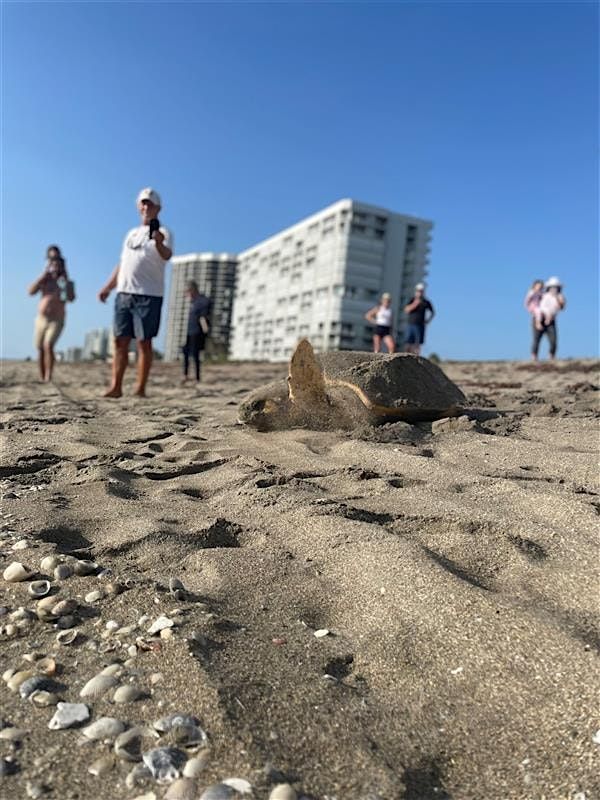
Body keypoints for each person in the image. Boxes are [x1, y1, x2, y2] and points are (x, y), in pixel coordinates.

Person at [98, 188, 173, 397]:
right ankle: (116, 386)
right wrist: (108, 287)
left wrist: (158, 242)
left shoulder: (165, 233)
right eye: (143, 203)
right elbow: (122, 264)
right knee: (119, 340)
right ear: (138, 206)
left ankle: (140, 388)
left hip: (149, 294)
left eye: (150, 203)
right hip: (124, 293)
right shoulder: (131, 234)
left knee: (144, 341)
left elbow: (167, 255)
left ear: (158, 207)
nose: (146, 207)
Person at [28, 245, 73, 382]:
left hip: (57, 319)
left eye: (57, 261)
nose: (54, 264)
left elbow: (70, 298)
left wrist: (65, 283)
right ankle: (42, 377)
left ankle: (49, 376)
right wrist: (43, 276)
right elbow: (30, 291)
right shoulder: (44, 279)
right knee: (40, 347)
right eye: (51, 260)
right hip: (41, 318)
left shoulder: (65, 281)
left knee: (49, 345)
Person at [182, 280, 211, 383]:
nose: (186, 294)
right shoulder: (193, 302)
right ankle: (185, 375)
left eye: (187, 291)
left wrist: (206, 331)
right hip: (190, 331)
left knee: (195, 354)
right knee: (185, 351)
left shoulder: (203, 301)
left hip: (197, 332)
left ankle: (197, 377)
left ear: (192, 290)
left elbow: (203, 318)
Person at [531, 277, 566, 361]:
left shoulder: (560, 297)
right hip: (540, 319)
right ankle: (534, 357)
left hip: (551, 320)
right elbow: (541, 307)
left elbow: (562, 308)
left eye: (556, 287)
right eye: (552, 287)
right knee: (536, 339)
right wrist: (545, 317)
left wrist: (559, 299)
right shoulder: (544, 296)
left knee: (553, 340)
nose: (554, 289)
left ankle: (551, 356)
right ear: (549, 288)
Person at [403, 282, 435, 355]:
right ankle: (406, 357)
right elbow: (406, 310)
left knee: (417, 344)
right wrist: (415, 304)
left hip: (420, 325)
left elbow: (432, 313)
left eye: (421, 291)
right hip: (410, 324)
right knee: (408, 343)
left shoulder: (426, 302)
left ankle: (416, 359)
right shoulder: (412, 299)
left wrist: (427, 321)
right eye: (418, 291)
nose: (419, 292)